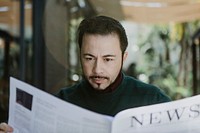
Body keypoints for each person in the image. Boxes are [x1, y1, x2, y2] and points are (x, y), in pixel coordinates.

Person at [0, 15, 171, 132]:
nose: (97, 69)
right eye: (89, 58)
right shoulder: (61, 102)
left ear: (123, 57)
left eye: (108, 59)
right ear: (80, 55)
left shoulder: (152, 99)